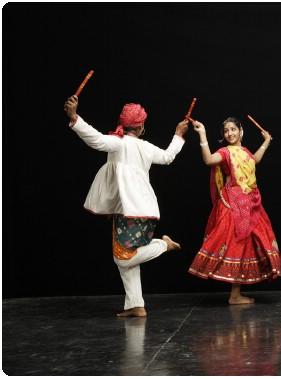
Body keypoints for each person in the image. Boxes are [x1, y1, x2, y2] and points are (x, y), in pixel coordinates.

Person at [63, 95, 188, 317]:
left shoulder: (118, 142)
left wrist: (74, 118)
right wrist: (178, 134)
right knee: (125, 260)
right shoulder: (138, 145)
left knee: (122, 257)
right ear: (141, 127)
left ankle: (163, 245)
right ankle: (135, 305)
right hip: (132, 209)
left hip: (135, 210)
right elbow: (168, 157)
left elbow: (95, 139)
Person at [187, 117, 281, 304]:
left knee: (247, 245)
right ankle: (235, 295)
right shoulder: (224, 152)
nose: (229, 133)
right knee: (235, 244)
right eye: (226, 131)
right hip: (234, 204)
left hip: (251, 202)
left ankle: (235, 294)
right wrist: (203, 135)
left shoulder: (245, 152)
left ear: (241, 131)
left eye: (233, 129)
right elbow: (208, 160)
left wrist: (266, 142)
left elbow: (254, 160)